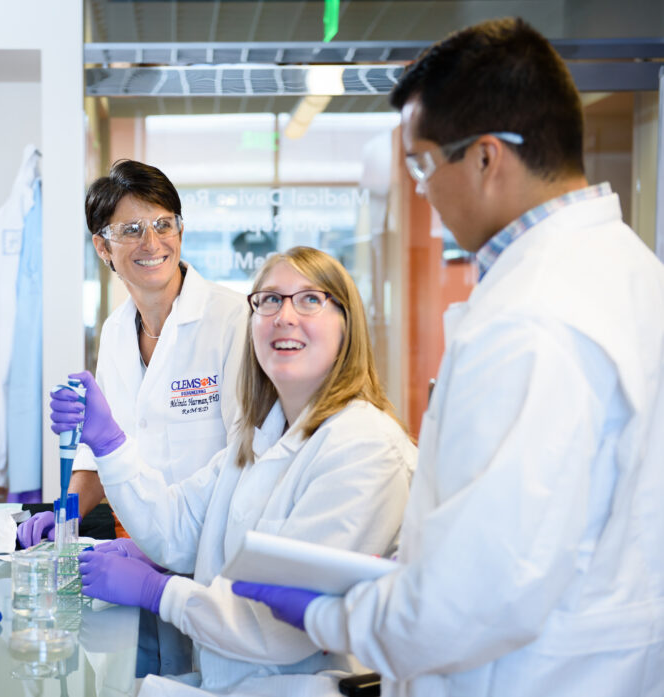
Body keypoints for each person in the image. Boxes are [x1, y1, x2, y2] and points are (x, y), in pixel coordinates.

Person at [233, 18, 664, 697]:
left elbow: (479, 592)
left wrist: (332, 613)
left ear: (487, 157)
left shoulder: (534, 316)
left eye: (423, 163)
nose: (422, 191)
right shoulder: (627, 272)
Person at [51, 247, 416, 696]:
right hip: (229, 680)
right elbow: (176, 527)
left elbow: (277, 631)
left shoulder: (363, 447)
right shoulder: (260, 437)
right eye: (268, 300)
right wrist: (109, 444)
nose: (284, 315)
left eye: (309, 300)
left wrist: (157, 592)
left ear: (348, 325)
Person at [17, 159, 249, 546]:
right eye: (132, 230)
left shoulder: (233, 320)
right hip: (135, 539)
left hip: (212, 542)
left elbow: (246, 456)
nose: (152, 243)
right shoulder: (116, 332)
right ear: (103, 247)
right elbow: (106, 453)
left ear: (180, 231)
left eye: (163, 224)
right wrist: (64, 512)